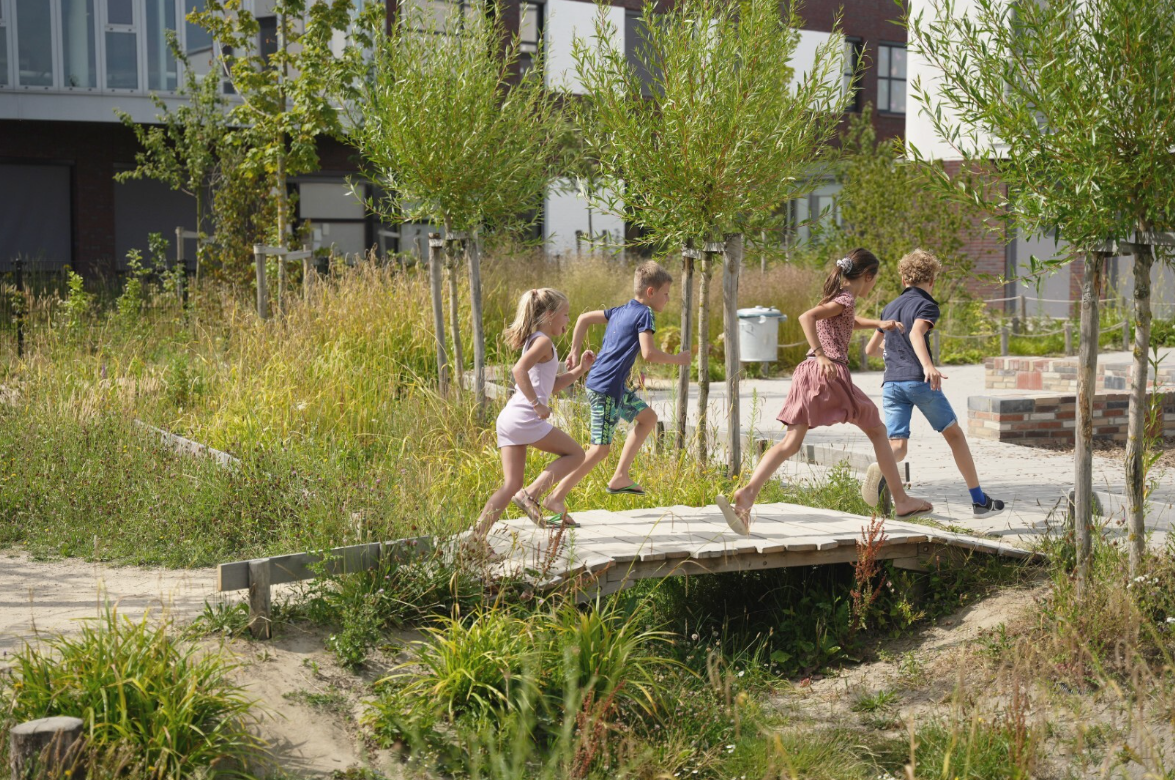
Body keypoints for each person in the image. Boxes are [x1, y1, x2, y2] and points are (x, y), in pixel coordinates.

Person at [716, 248, 934, 535]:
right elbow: (806, 317)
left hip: (807, 373)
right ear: (868, 276)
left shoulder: (840, 298)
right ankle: (902, 500)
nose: (872, 287)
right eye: (874, 281)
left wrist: (879, 324)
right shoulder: (845, 299)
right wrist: (821, 355)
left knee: (790, 443)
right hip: (828, 372)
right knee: (878, 430)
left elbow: (847, 320)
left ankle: (746, 495)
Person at [862, 249, 1005, 518]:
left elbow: (870, 349)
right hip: (918, 381)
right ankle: (980, 502)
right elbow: (916, 333)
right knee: (954, 435)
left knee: (898, 447)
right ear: (932, 280)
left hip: (891, 384)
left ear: (903, 279)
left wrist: (896, 352)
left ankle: (881, 465)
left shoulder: (889, 308)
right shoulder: (926, 305)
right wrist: (928, 366)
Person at [470, 288, 595, 554]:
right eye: (565, 315)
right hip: (525, 418)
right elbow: (519, 370)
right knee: (576, 454)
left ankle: (475, 540)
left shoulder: (536, 341)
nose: (568, 320)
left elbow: (551, 385)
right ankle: (531, 495)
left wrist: (580, 370)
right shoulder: (543, 342)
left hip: (510, 418)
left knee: (511, 485)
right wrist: (537, 404)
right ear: (549, 315)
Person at [557, 260, 692, 499]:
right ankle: (555, 496)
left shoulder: (620, 310)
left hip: (610, 386)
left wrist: (574, 352)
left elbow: (583, 318)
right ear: (650, 292)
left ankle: (620, 476)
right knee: (599, 449)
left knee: (648, 418)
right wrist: (678, 359)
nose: (668, 298)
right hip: (606, 388)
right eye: (666, 293)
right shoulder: (645, 313)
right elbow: (648, 353)